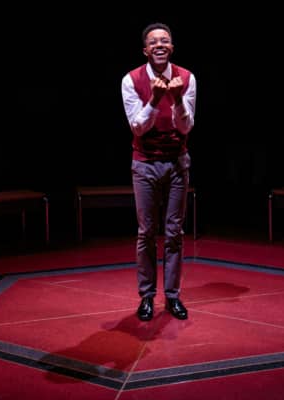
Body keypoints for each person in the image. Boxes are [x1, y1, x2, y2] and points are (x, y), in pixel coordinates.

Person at [121, 22, 197, 321]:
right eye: (153, 42)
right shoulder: (131, 80)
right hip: (144, 163)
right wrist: (154, 98)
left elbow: (187, 126)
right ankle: (147, 297)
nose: (160, 45)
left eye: (165, 40)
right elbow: (137, 127)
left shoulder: (188, 78)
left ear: (172, 47)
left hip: (178, 162)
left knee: (175, 232)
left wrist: (177, 99)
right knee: (146, 233)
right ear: (145, 50)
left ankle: (173, 296)